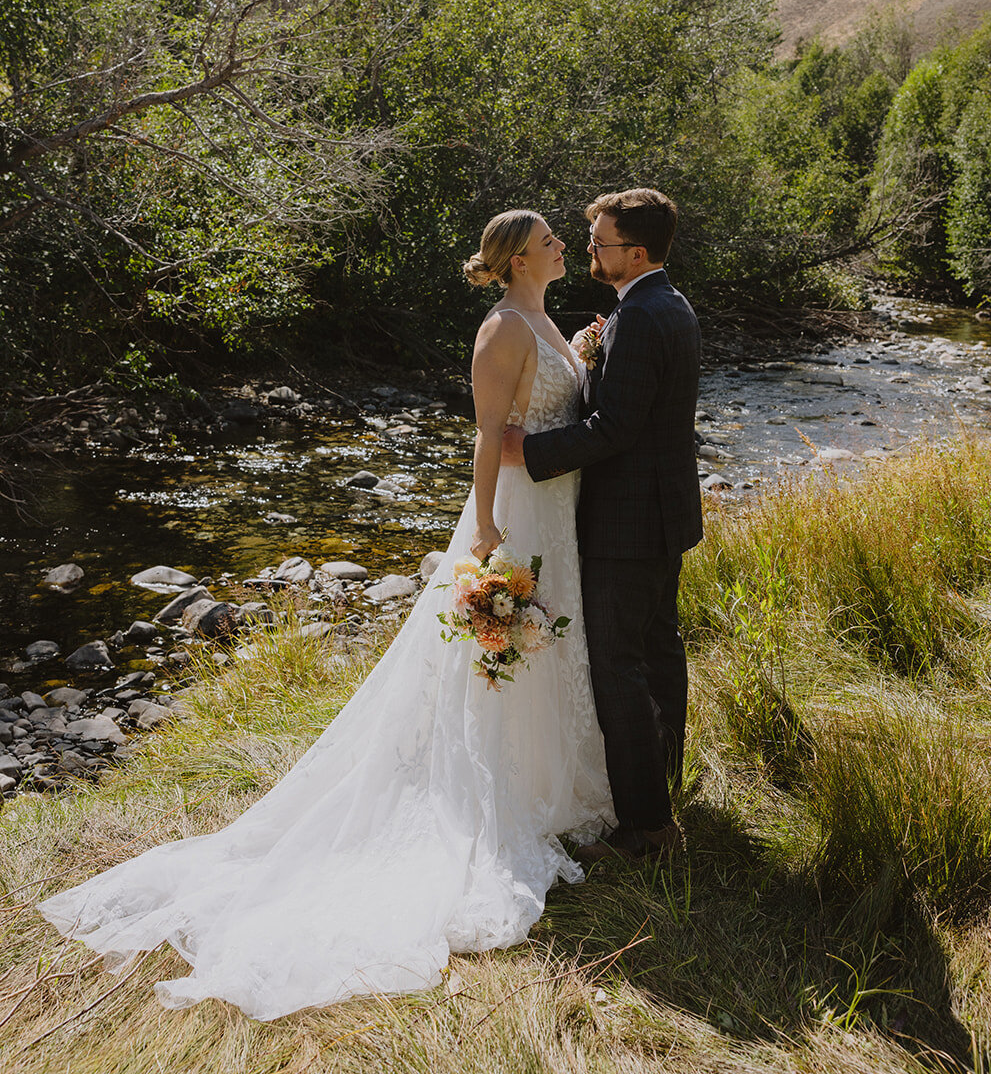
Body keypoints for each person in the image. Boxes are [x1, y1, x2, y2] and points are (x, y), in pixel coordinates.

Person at [38, 210, 613, 1021]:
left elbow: (553, 404)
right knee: (504, 646)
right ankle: (499, 792)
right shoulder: (499, 330)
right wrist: (484, 526)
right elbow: (488, 434)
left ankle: (551, 780)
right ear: (519, 259)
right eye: (552, 240)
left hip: (560, 502)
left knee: (545, 640)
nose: (564, 246)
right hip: (517, 507)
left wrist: (583, 351)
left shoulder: (545, 318)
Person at [501, 189, 702, 860]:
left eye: (600, 241)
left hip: (626, 522)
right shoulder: (661, 304)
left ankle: (645, 829)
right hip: (660, 515)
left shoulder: (641, 317)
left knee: (620, 667)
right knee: (658, 656)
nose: (590, 250)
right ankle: (659, 792)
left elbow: (617, 427)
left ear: (635, 252)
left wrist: (526, 453)